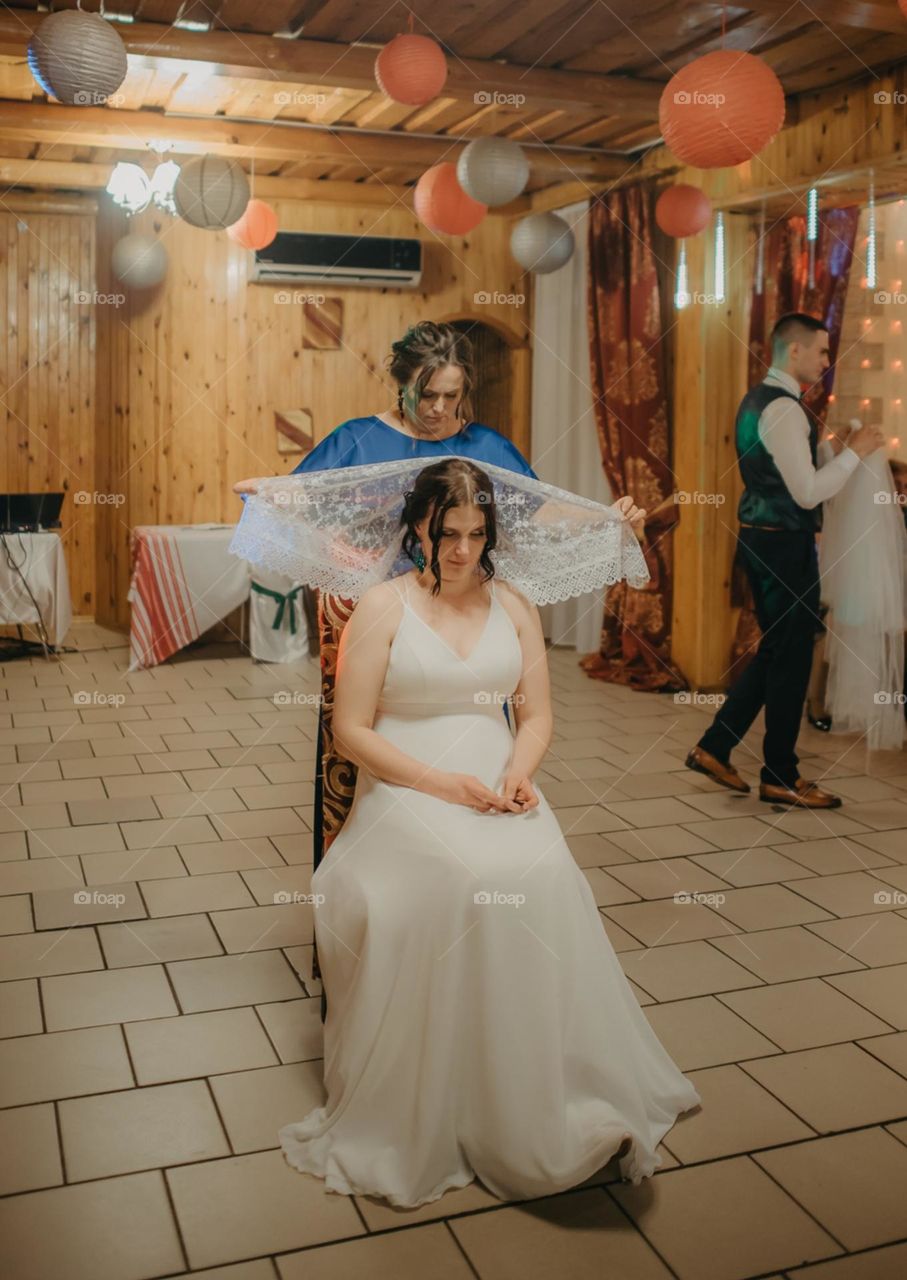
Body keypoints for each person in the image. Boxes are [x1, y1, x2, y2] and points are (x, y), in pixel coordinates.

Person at [275, 457, 700, 1208]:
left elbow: (535, 716)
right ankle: (455, 1096)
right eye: (447, 533)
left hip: (496, 777)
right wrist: (442, 785)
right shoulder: (383, 606)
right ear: (418, 527)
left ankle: (549, 1091)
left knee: (544, 874)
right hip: (405, 781)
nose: (462, 550)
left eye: (476, 534)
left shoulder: (515, 606)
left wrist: (518, 773)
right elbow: (350, 731)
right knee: (468, 880)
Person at [234, 320, 643, 1014]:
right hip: (377, 625)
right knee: (351, 773)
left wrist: (605, 520)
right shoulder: (357, 440)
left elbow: (538, 513)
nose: (439, 410)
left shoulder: (485, 447)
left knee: (476, 739)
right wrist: (269, 495)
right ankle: (358, 946)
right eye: (426, 395)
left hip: (463, 620)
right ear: (400, 384)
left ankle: (483, 961)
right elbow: (308, 497)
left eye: (452, 396)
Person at [686, 312, 885, 808]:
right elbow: (807, 492)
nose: (826, 360)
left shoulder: (762, 400)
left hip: (763, 538)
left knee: (778, 649)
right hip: (782, 546)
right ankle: (780, 775)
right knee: (792, 656)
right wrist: (856, 453)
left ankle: (715, 747)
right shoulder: (784, 409)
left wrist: (831, 449)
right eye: (821, 350)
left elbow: (786, 470)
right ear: (794, 350)